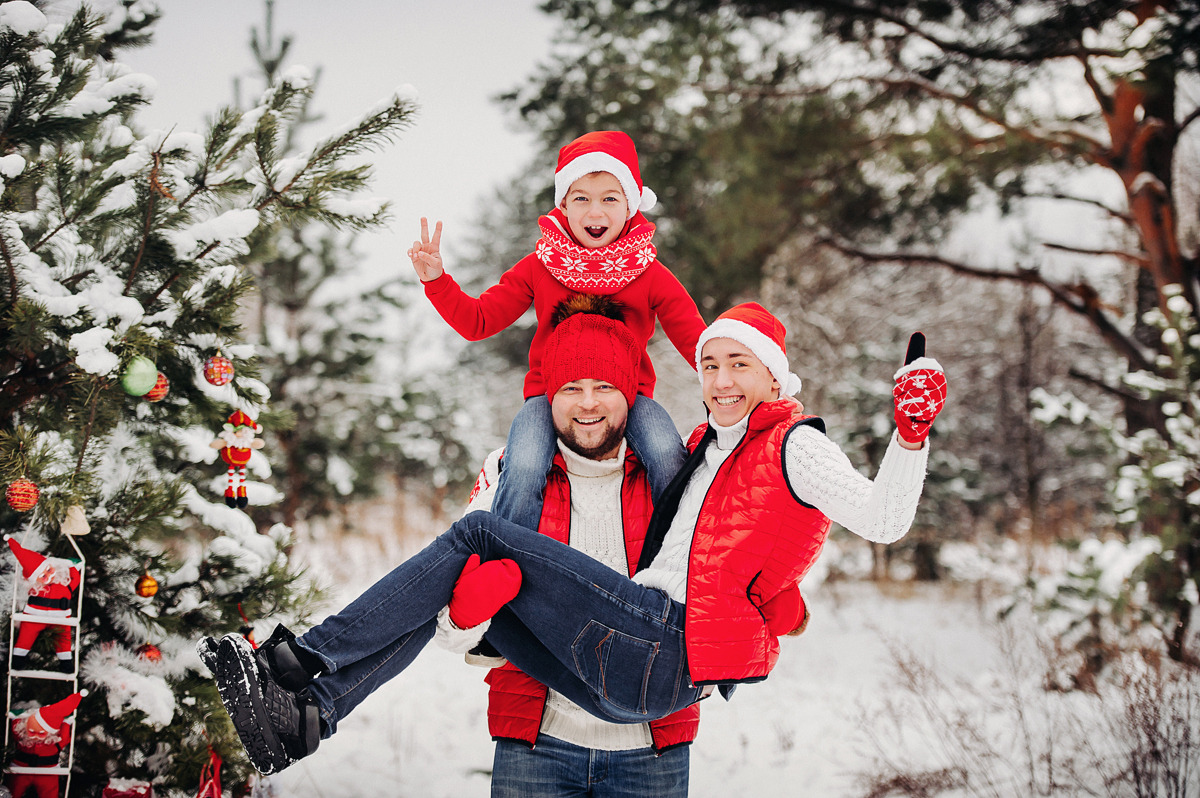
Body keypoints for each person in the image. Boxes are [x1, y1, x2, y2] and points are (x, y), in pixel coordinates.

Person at [203, 301, 946, 778]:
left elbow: (876, 521)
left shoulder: (784, 444)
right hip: (597, 681)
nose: (721, 380)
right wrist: (469, 619)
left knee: (479, 535)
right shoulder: (705, 449)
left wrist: (910, 438)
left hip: (660, 657)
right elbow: (736, 542)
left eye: (739, 365)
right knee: (456, 576)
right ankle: (307, 715)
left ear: (776, 377)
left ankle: (301, 659)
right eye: (711, 364)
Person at [408, 130, 706, 531]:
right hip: (548, 397)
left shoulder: (649, 274)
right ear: (564, 204)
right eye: (581, 198)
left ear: (631, 205)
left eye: (609, 198)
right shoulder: (540, 264)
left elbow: (698, 345)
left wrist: (747, 378)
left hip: (628, 397)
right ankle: (508, 557)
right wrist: (438, 280)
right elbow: (478, 321)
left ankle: (676, 555)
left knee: (666, 454)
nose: (594, 212)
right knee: (526, 463)